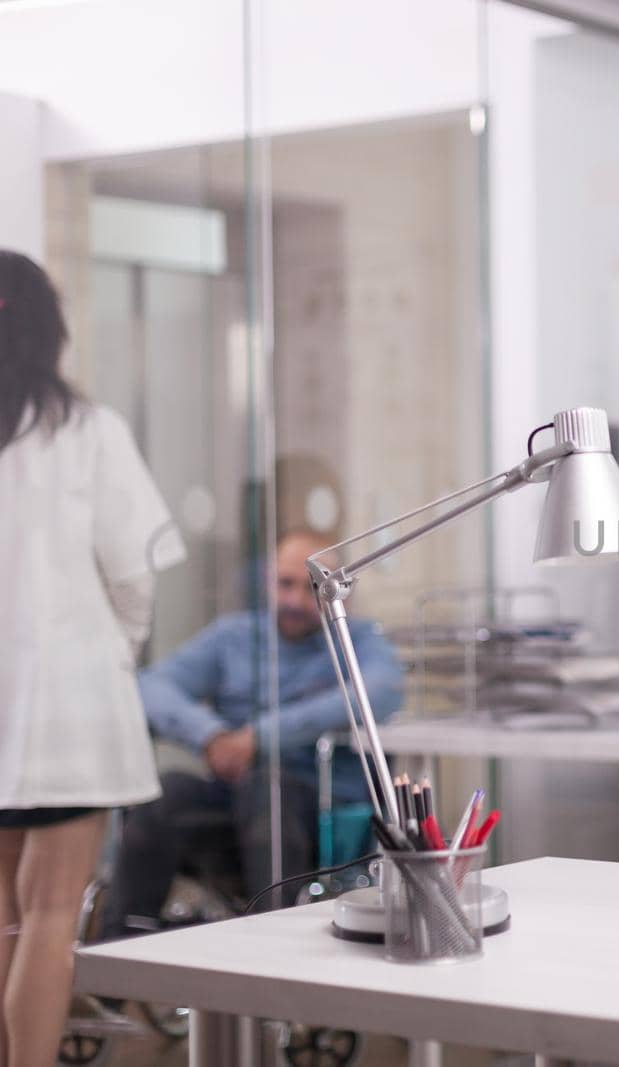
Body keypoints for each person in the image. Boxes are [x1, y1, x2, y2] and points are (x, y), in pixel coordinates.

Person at [0, 249, 186, 1065]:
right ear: (53, 331)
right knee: (49, 915)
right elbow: (133, 571)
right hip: (69, 704)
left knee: (5, 915)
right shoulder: (87, 432)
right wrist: (121, 644)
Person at [100, 529, 403, 937]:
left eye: (311, 586)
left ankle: (270, 947)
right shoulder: (234, 636)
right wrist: (209, 735)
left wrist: (258, 738)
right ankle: (121, 959)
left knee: (268, 787)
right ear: (268, 582)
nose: (295, 600)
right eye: (285, 584)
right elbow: (152, 685)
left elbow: (381, 691)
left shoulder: (357, 638)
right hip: (233, 802)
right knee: (164, 792)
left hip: (316, 812)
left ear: (337, 589)